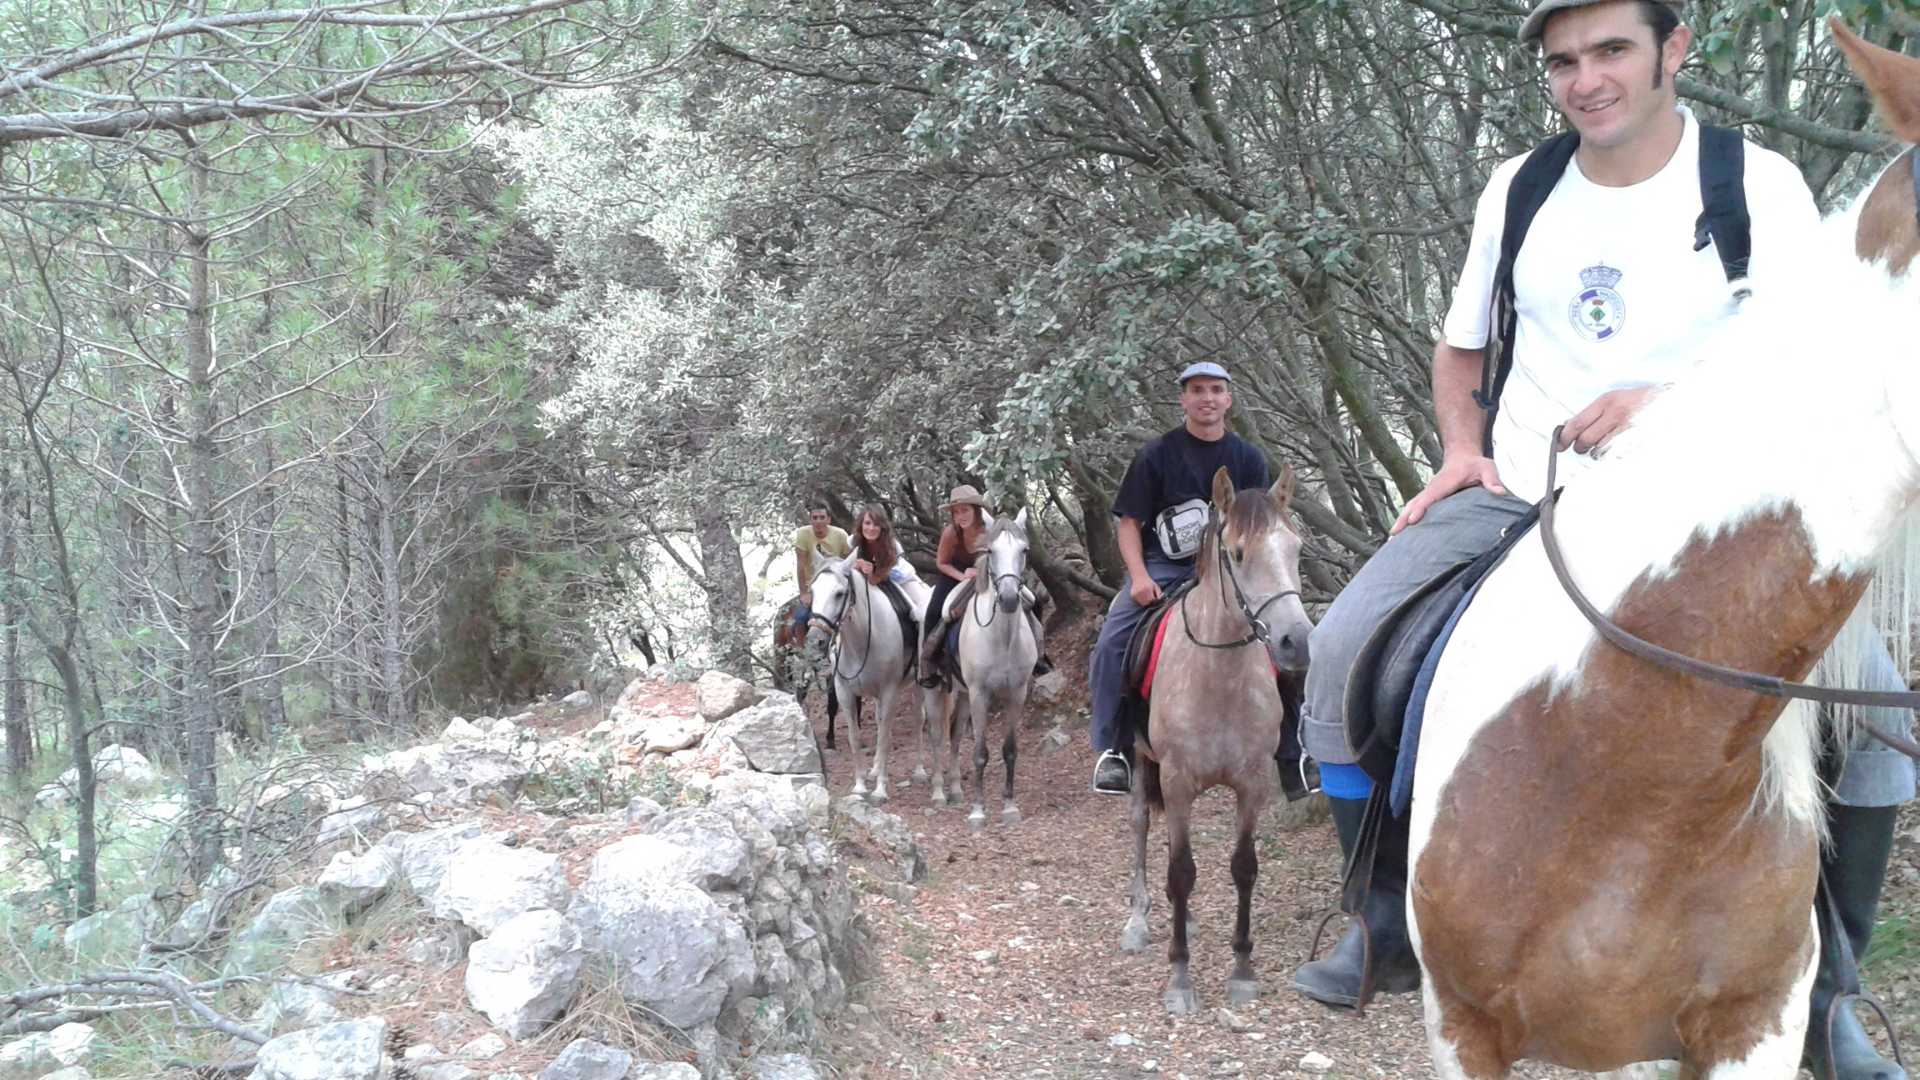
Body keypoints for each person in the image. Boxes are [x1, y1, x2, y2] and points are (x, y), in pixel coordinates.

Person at [1290, 5, 1915, 1078]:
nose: (1587, 79)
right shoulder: (1519, 188)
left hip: (1701, 509)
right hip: (1526, 488)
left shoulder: (1755, 184)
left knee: (1867, 734)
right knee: (1343, 647)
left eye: (1612, 50)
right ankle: (1384, 918)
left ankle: (1831, 993)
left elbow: (1810, 359)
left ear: (1675, 50)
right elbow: (1461, 353)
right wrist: (1455, 451)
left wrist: (1663, 398)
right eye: (1564, 62)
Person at [1086, 361, 1271, 794]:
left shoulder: (1249, 458)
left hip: (1230, 572)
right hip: (1165, 569)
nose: (1207, 398)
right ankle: (1113, 749)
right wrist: (1137, 577)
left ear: (1229, 399)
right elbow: (1129, 522)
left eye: (1216, 390)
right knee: (1112, 640)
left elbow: (1260, 527)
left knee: (1287, 635)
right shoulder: (1155, 454)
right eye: (1198, 390)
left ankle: (1294, 752)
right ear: (1183, 399)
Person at [916, 485, 1052, 685]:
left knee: (1033, 601)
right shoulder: (950, 533)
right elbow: (941, 563)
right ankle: (929, 664)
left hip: (990, 574)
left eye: (965, 510)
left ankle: (1038, 654)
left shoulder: (990, 528)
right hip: (956, 574)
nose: (960, 516)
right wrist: (962, 575)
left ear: (976, 509)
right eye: (956, 512)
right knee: (935, 611)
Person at [791, 505, 851, 638]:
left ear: (828, 520)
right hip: (814, 586)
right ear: (811, 520)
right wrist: (804, 593)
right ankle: (803, 653)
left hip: (834, 585)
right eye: (815, 518)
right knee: (800, 616)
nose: (818, 521)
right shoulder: (803, 534)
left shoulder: (840, 535)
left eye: (822, 517)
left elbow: (850, 562)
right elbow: (800, 565)